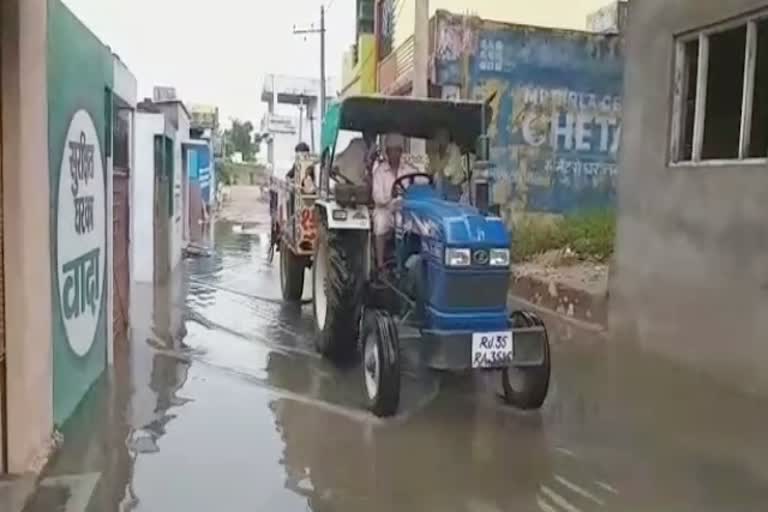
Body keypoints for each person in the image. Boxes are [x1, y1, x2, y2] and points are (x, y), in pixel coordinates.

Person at [371, 133, 420, 272]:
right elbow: (377, 197)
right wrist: (390, 196)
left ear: (401, 152)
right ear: (387, 152)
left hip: (405, 210)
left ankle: (409, 263)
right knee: (380, 223)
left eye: (398, 150)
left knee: (415, 226)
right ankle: (380, 265)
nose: (395, 154)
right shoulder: (380, 172)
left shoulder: (409, 170)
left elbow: (420, 183)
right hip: (385, 210)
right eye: (392, 151)